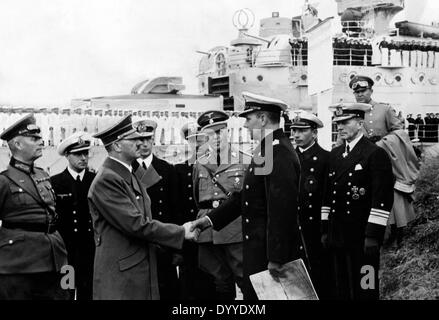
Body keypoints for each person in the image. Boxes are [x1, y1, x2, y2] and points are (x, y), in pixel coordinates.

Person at [190, 92, 304, 300]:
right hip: (259, 251)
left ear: (262, 119)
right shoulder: (267, 150)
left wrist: (276, 258)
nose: (245, 126)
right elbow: (245, 196)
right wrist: (207, 220)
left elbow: (282, 210)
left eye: (248, 119)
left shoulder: (278, 153)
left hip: (268, 256)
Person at [88, 115, 197, 300]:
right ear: (116, 145)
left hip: (137, 267)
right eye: (134, 139)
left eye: (143, 139)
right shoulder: (107, 179)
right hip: (122, 274)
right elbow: (136, 224)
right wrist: (180, 232)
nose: (141, 143)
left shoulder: (127, 174)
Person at [321, 103, 394, 300]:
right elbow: (328, 194)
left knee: (366, 287)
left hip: (362, 235)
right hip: (338, 233)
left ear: (360, 122)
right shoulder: (335, 155)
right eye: (337, 123)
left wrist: (373, 235)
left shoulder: (375, 154)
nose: (340, 127)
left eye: (345, 122)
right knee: (342, 286)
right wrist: (325, 227)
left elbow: (382, 198)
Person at [0, 114, 68, 300]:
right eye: (34, 139)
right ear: (17, 145)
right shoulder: (4, 181)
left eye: (40, 138)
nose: (41, 142)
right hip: (19, 263)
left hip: (55, 258)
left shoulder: (43, 175)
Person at [192, 110, 249, 300]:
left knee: (244, 279)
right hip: (208, 233)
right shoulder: (199, 164)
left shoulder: (245, 160)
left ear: (228, 132)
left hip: (234, 230)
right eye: (209, 133)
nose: (215, 138)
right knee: (218, 284)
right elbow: (197, 198)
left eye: (219, 132)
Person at [131, 119, 181, 300]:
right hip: (138, 241)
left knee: (167, 290)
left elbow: (175, 209)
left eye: (148, 139)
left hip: (163, 241)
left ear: (153, 141)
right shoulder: (127, 171)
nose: (144, 144)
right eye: (140, 140)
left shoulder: (167, 169)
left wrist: (177, 248)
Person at [50, 132, 96, 300]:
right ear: (67, 155)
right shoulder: (55, 183)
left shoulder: (96, 180)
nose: (83, 158)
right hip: (65, 252)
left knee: (88, 291)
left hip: (91, 250)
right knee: (65, 292)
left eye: (86, 153)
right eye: (78, 154)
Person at [290, 111, 330, 299]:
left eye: (302, 130)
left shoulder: (325, 159)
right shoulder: (288, 158)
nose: (296, 135)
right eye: (294, 130)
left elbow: (327, 197)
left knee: (319, 272)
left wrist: (325, 228)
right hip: (292, 226)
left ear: (314, 133)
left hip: (315, 226)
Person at [175, 122, 216, 300]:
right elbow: (176, 207)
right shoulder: (178, 170)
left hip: (210, 232)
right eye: (193, 140)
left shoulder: (215, 166)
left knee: (214, 281)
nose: (197, 144)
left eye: (201, 140)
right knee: (189, 283)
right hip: (188, 234)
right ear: (187, 142)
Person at [349, 75, 403, 142]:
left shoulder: (385, 109)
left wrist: (384, 143)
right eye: (357, 92)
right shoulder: (350, 113)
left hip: (381, 150)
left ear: (371, 91)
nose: (360, 94)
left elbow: (399, 132)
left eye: (363, 91)